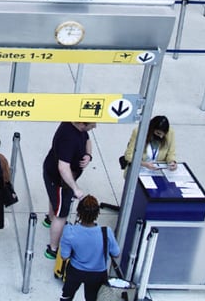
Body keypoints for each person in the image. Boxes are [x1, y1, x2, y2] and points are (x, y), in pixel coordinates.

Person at [42, 121, 96, 261]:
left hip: (54, 174)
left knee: (55, 200)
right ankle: (53, 248)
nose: (95, 126)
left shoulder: (76, 126)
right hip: (60, 181)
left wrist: (88, 155)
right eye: (92, 124)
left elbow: (87, 139)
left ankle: (49, 218)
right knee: (61, 214)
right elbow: (63, 167)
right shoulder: (69, 139)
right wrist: (75, 189)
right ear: (82, 124)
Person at [58, 195, 121, 301]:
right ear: (97, 214)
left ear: (79, 213)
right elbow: (116, 254)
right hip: (97, 274)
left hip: (75, 271)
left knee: (67, 296)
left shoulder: (69, 231)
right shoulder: (106, 232)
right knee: (93, 298)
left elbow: (64, 256)